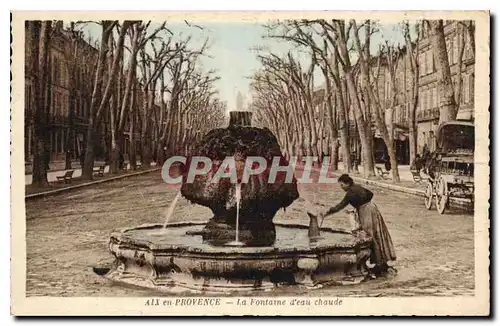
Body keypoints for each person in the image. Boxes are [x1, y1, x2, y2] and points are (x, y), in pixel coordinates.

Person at [313, 174, 397, 277]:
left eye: (342, 185)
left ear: (347, 183)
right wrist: (362, 204)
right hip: (372, 209)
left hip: (366, 213)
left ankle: (380, 264)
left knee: (370, 236)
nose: (341, 187)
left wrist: (327, 213)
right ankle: (381, 261)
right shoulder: (357, 187)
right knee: (377, 234)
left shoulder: (351, 193)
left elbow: (340, 206)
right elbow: (370, 194)